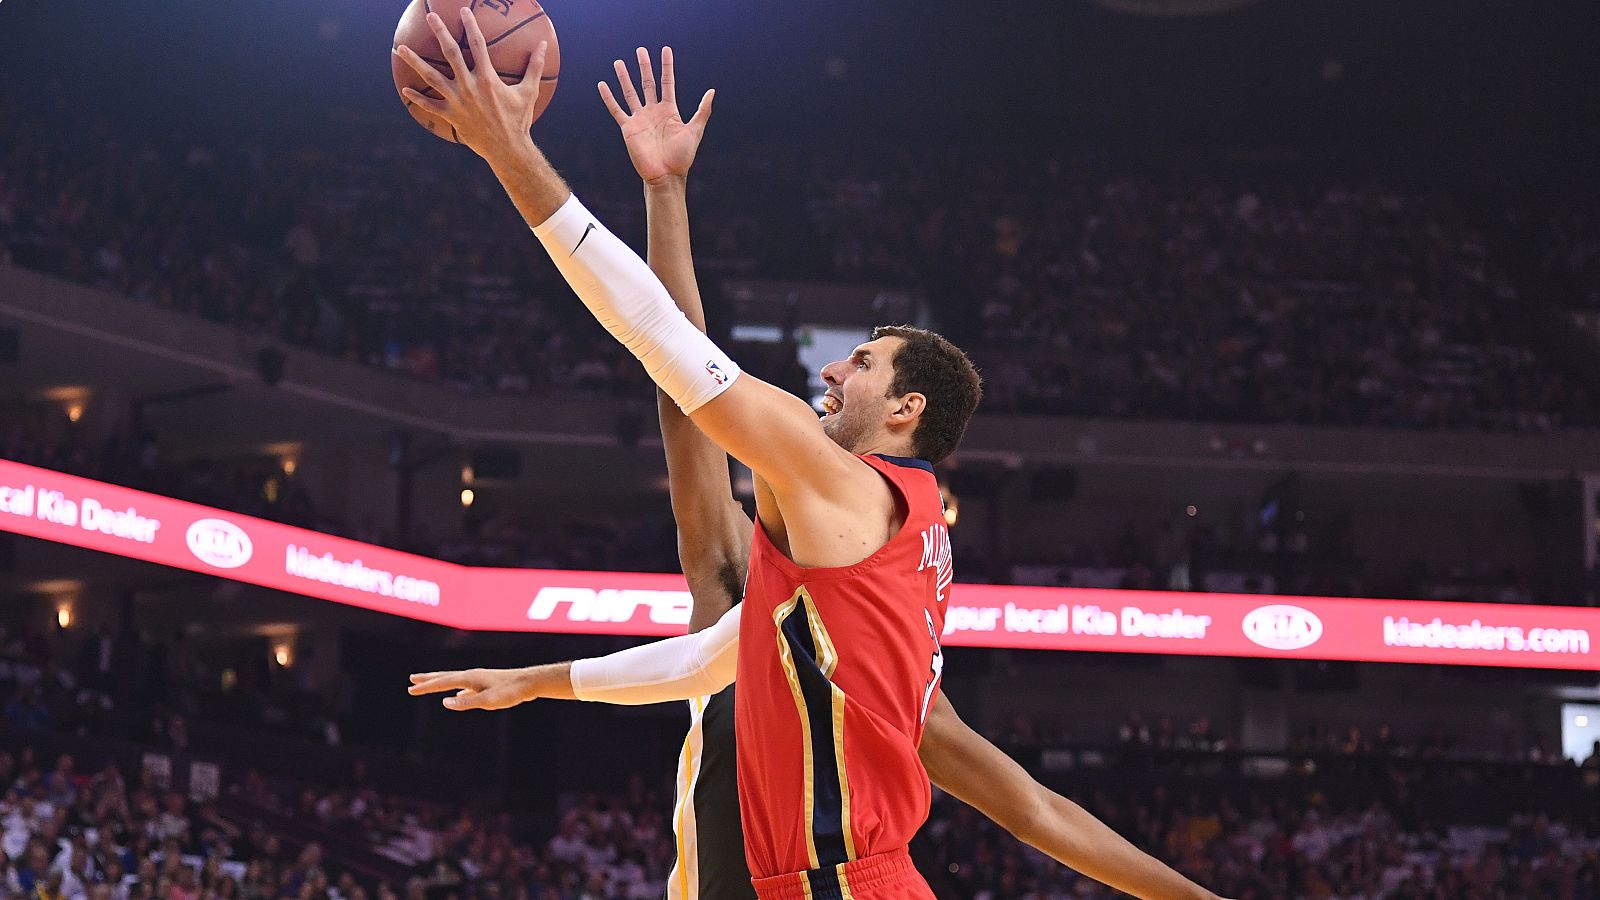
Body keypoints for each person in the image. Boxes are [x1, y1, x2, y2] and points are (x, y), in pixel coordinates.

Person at [397, 23, 1223, 900]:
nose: (832, 370)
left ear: (906, 410)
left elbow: (662, 345)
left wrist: (512, 153)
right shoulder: (889, 604)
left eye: (861, 362)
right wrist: (534, 681)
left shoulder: (843, 487)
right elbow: (1030, 808)